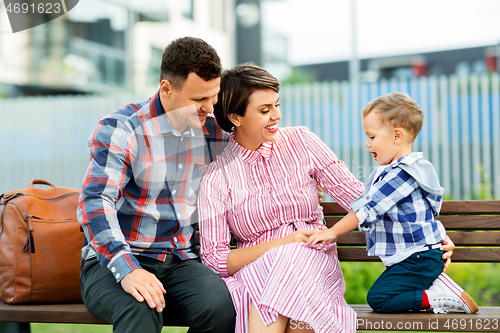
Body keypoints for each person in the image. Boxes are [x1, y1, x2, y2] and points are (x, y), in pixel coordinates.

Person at [197, 64, 453, 333]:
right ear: (235, 117)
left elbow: (359, 197)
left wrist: (429, 233)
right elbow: (216, 260)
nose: (277, 115)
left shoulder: (302, 141)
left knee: (292, 266)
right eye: (265, 110)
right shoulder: (217, 177)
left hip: (313, 257)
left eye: (277, 105)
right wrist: (285, 241)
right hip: (256, 270)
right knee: (293, 300)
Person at [77, 37, 236, 333]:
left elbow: (259, 162)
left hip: (179, 260)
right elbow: (96, 202)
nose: (209, 108)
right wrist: (127, 269)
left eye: (213, 97)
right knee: (140, 310)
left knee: (221, 310)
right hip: (114, 259)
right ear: (166, 89)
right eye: (199, 99)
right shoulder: (124, 128)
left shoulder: (215, 132)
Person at [308, 92, 478, 315]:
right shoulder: (391, 172)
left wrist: (331, 233)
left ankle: (436, 296)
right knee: (382, 295)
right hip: (416, 257)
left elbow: (366, 208)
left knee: (380, 298)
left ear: (397, 136)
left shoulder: (403, 173)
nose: (367, 144)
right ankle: (434, 290)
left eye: (371, 137)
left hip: (418, 258)